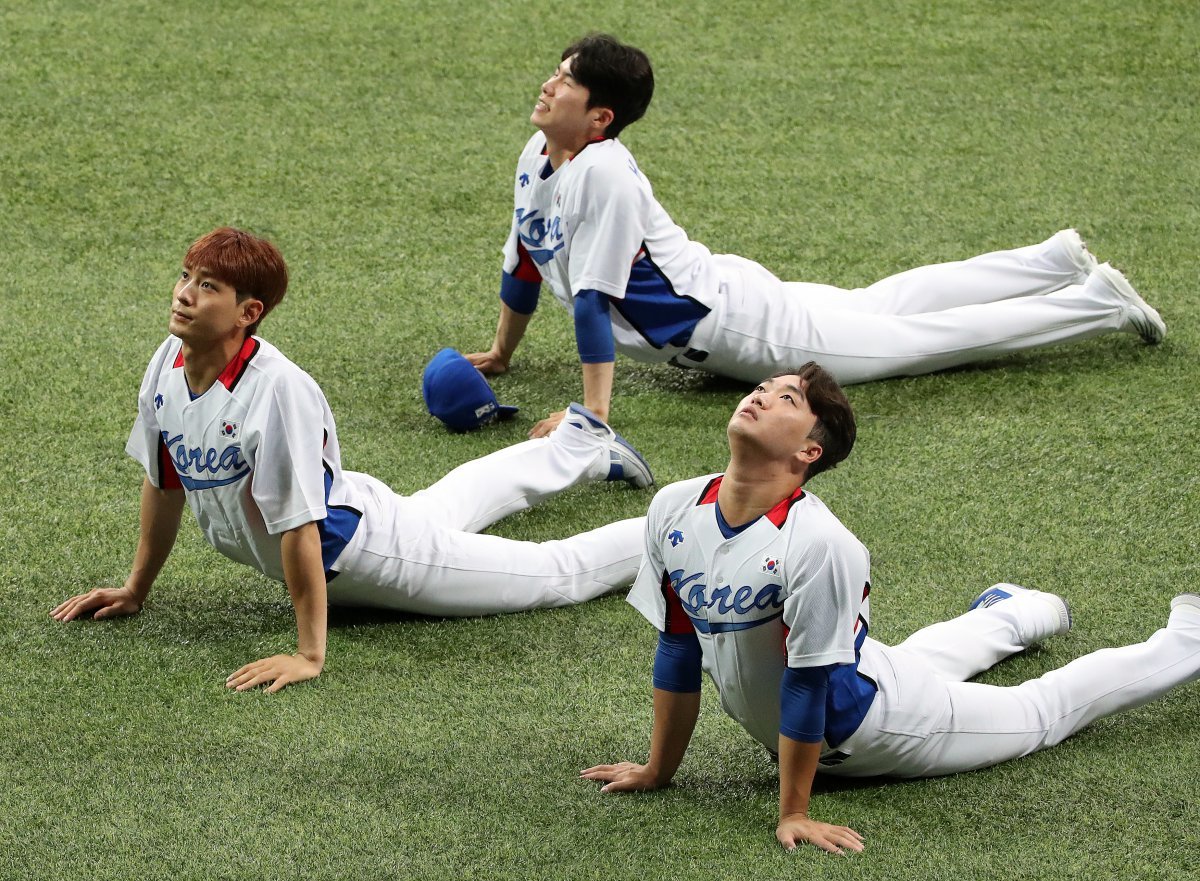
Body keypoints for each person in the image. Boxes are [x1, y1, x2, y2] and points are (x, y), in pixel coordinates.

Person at [580, 363, 1200, 854]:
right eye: (765, 388)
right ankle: (1011, 612)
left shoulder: (822, 545)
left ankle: (1187, 638)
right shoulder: (674, 508)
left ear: (809, 452)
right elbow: (679, 647)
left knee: (1040, 712)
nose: (762, 396)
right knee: (908, 659)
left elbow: (807, 686)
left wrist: (793, 810)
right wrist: (659, 770)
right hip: (863, 670)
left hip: (881, 728)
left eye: (788, 401)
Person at [468, 33, 1167, 438]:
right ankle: (1051, 260)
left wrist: (593, 420)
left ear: (600, 117)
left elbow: (593, 301)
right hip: (729, 295)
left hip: (748, 331)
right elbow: (525, 260)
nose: (548, 85)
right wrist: (502, 351)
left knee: (921, 341)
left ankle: (1097, 302)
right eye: (555, 72)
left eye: (566, 81)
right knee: (887, 303)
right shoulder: (539, 158)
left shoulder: (607, 176)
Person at [51, 227, 654, 693]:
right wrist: (136, 588)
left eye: (208, 286)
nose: (184, 294)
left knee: (557, 575)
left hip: (368, 556)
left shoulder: (276, 391)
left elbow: (299, 528)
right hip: (358, 511)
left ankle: (673, 528)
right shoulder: (168, 361)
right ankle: (577, 444)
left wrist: (309, 653)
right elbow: (165, 483)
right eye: (187, 276)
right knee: (444, 506)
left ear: (248, 312)